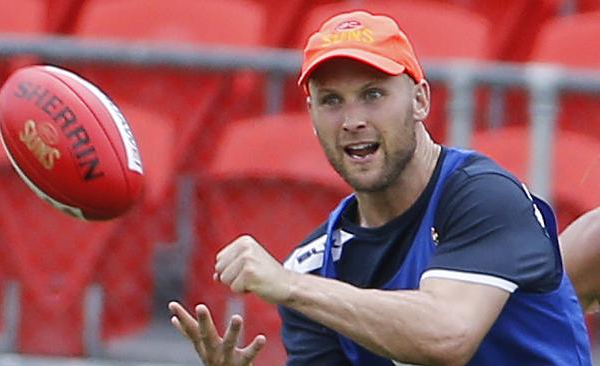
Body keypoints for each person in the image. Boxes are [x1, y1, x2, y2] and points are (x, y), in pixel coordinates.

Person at [168, 10, 592, 366]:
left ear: (420, 101)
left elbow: (448, 335)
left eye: (372, 94)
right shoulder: (312, 266)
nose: (352, 119)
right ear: (311, 114)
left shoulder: (482, 195)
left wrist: (292, 288)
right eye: (332, 101)